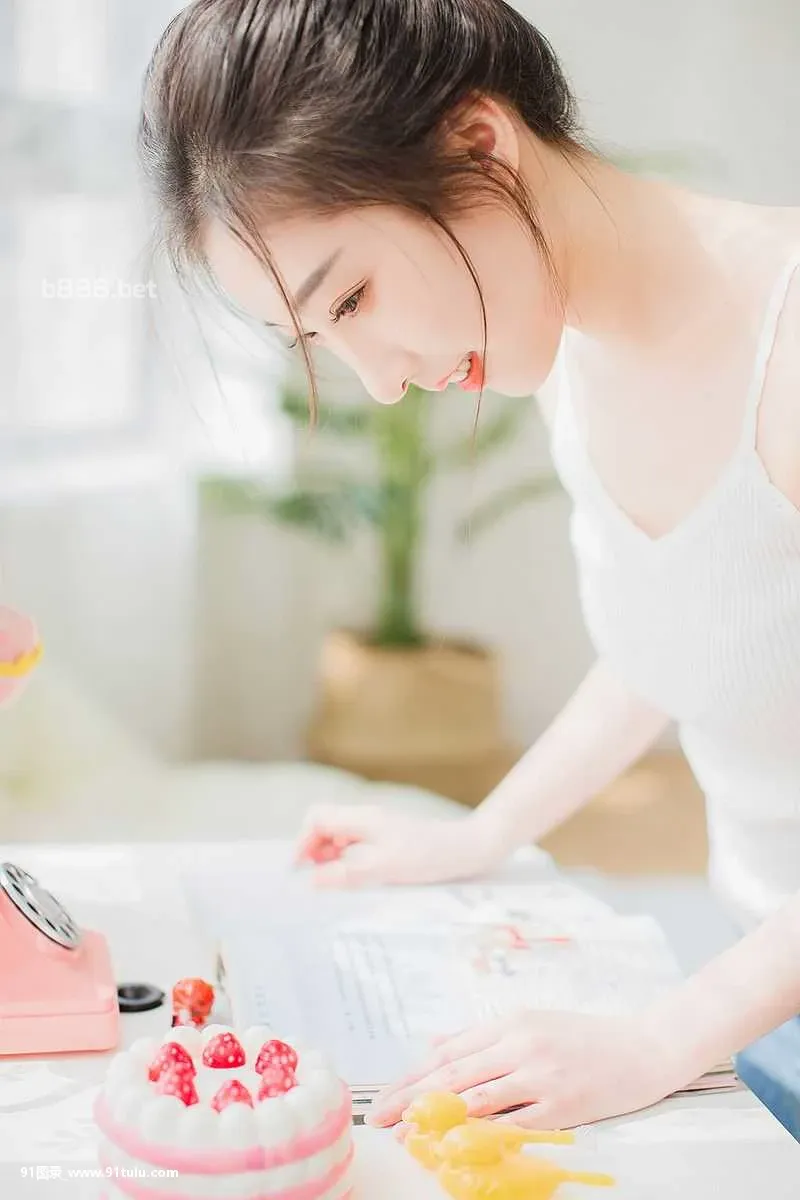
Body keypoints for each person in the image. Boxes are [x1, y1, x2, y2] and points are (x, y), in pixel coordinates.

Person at [138, 0, 800, 1135]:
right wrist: (483, 833)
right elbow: (684, 629)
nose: (381, 380)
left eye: (353, 298)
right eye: (322, 339)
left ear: (478, 144)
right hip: (764, 987)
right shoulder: (572, 351)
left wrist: (660, 1039)